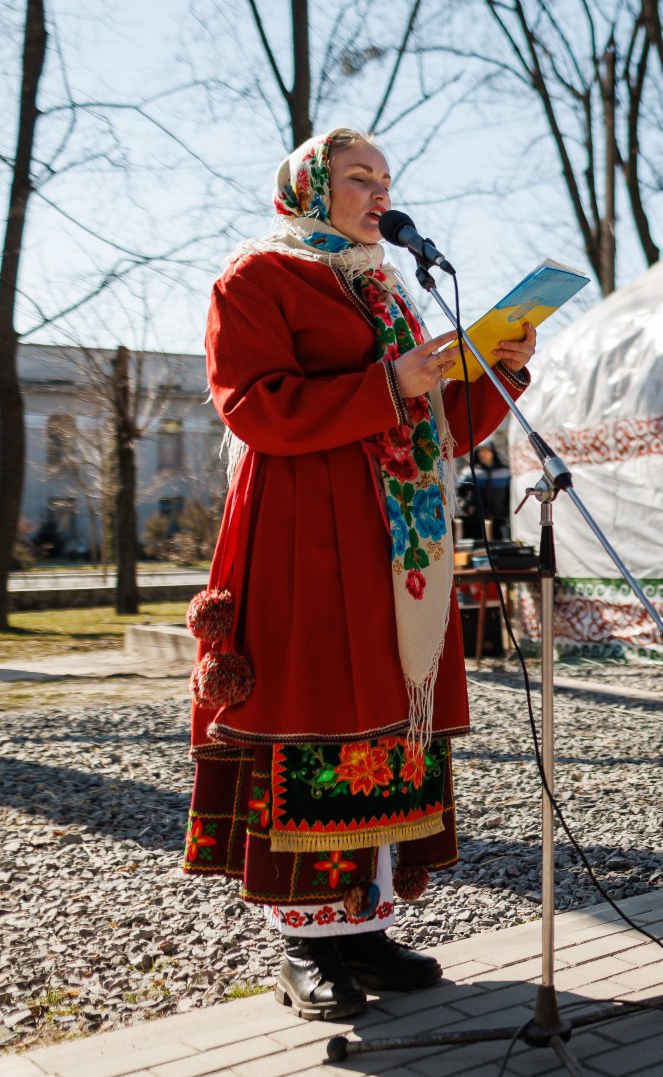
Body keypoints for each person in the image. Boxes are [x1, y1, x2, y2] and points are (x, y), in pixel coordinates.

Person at [179, 128, 537, 1021]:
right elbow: (254, 406)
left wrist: (502, 370)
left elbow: (438, 423)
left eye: (385, 179)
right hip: (306, 531)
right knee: (319, 717)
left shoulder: (388, 283)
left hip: (393, 540)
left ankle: (364, 923)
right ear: (308, 188)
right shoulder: (258, 277)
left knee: (383, 717)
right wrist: (392, 382)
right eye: (357, 178)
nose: (379, 192)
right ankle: (306, 942)